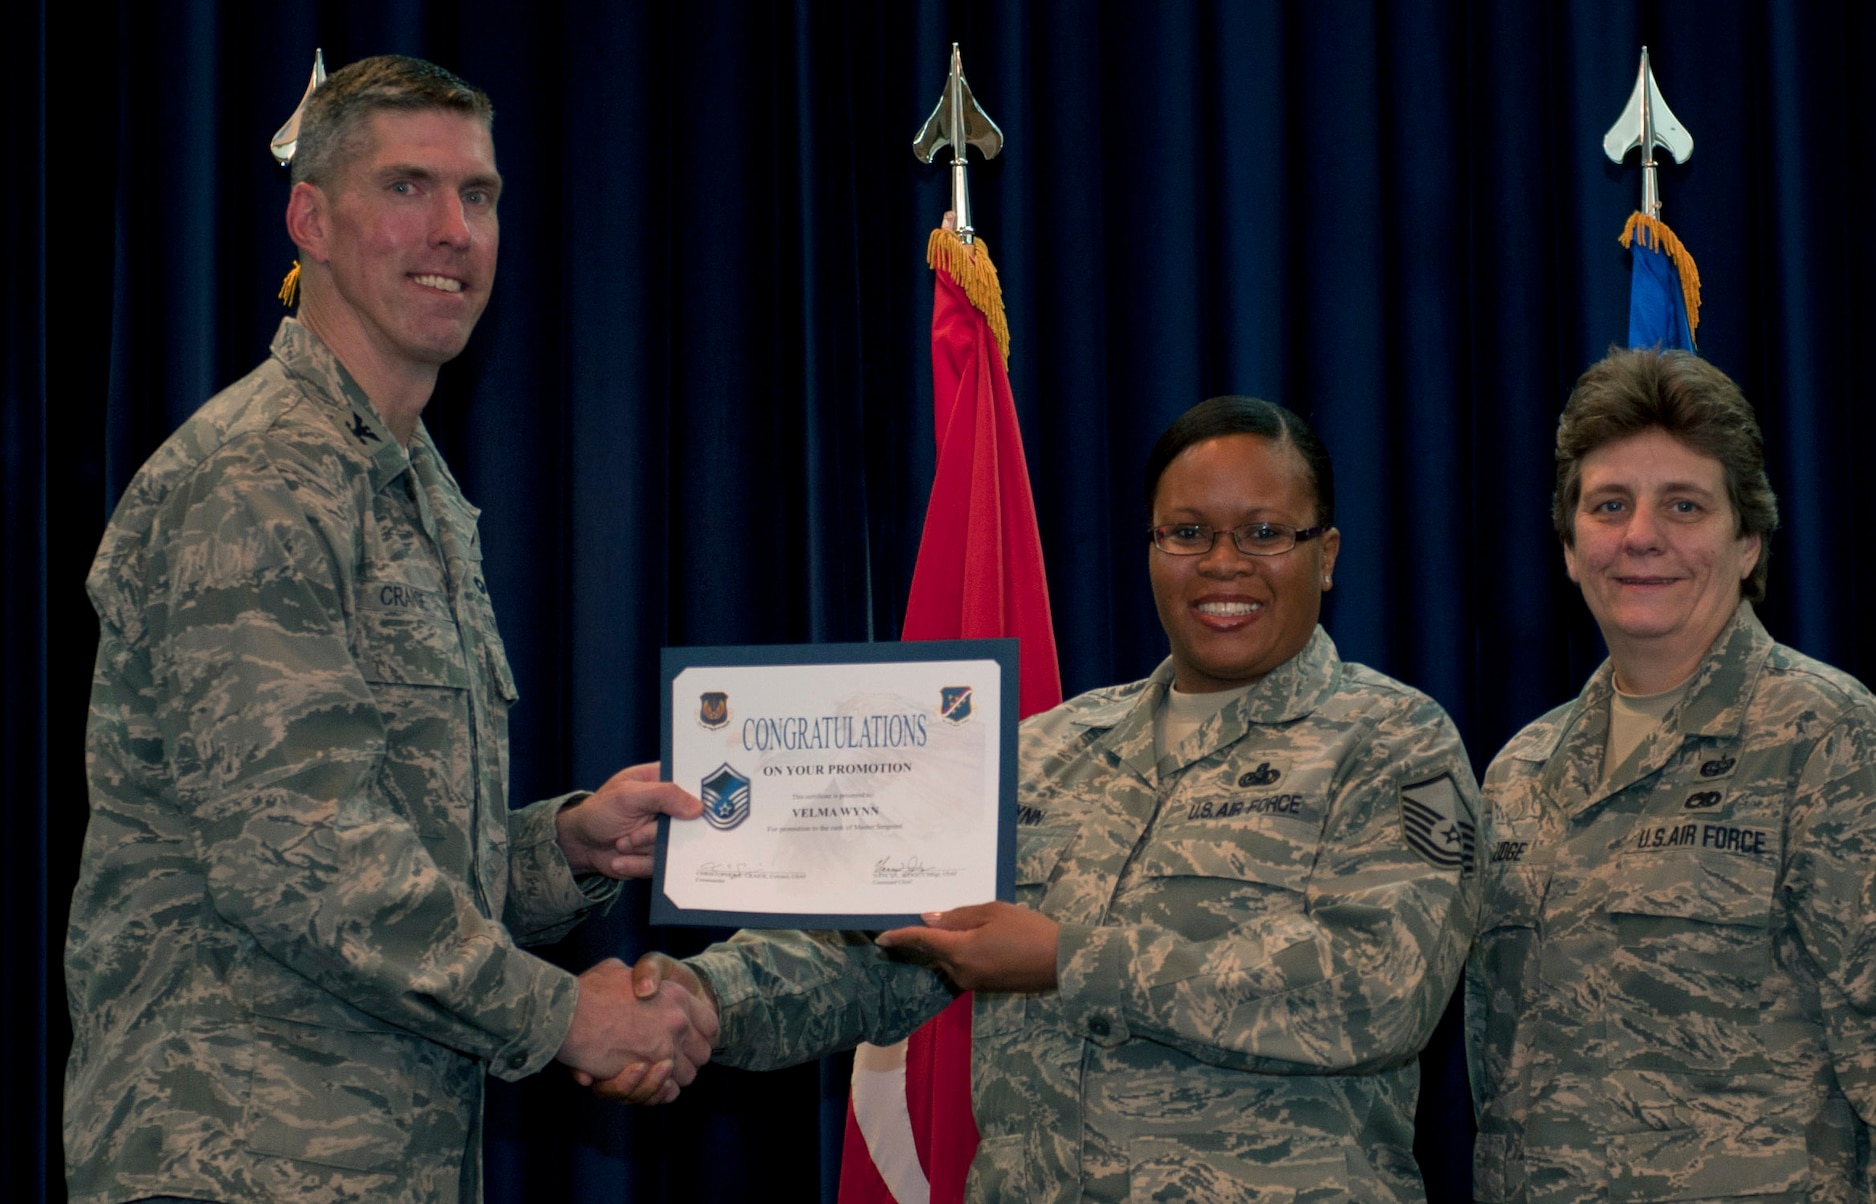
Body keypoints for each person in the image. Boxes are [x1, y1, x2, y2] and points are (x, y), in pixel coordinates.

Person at [65, 55, 714, 1204]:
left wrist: (565, 846)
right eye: (407, 187)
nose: (454, 230)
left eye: (479, 194)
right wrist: (565, 1014)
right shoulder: (257, 478)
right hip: (233, 1162)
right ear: (310, 220)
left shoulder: (415, 489)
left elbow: (401, 843)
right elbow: (300, 854)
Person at [612, 396, 1481, 1200]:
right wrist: (699, 1000)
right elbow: (880, 948)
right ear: (1151, 548)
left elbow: (1380, 993)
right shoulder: (1042, 750)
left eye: (1264, 533)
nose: (1224, 564)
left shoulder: (1394, 742)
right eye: (1187, 532)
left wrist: (1070, 959)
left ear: (1325, 556)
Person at [1466, 348, 1876, 1202]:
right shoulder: (1519, 775)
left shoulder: (1831, 742)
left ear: (1748, 542)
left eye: (1684, 505)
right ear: (1568, 546)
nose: (1642, 535)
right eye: (1609, 505)